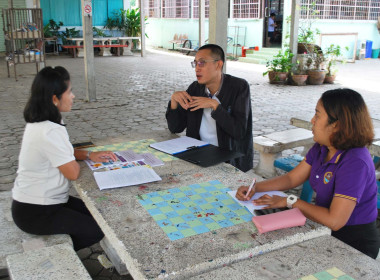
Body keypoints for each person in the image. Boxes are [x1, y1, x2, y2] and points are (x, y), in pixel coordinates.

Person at [236, 88, 380, 259]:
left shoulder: (355, 162)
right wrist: (255, 188)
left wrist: (290, 201)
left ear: (336, 125)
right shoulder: (322, 147)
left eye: (317, 115)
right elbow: (292, 178)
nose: (312, 120)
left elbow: (335, 220)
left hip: (354, 243)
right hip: (324, 228)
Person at [12, 66, 117, 251]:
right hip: (36, 210)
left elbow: (63, 152)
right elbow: (73, 173)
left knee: (101, 214)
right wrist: (80, 159)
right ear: (54, 99)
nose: (73, 96)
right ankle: (54, 254)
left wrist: (89, 155)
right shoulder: (48, 131)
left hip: (48, 201)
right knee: (95, 229)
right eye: (70, 92)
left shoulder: (46, 120)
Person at [166, 44, 253, 172]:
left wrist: (214, 105)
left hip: (229, 158)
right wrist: (174, 102)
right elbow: (175, 128)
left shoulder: (239, 87)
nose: (197, 69)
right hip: (199, 154)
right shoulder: (195, 88)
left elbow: (239, 131)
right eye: (195, 63)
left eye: (202, 63)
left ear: (218, 65)